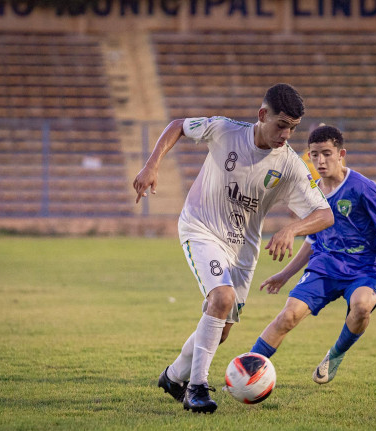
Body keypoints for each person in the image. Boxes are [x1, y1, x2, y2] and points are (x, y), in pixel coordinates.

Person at [132, 83, 334, 413]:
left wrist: (292, 228)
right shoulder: (225, 131)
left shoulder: (289, 166)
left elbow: (325, 214)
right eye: (280, 125)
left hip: (242, 249)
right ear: (262, 115)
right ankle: (195, 388)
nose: (285, 135)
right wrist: (152, 164)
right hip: (200, 227)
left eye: (292, 129)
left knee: (222, 329)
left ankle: (172, 377)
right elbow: (178, 126)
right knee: (222, 298)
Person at [250, 125, 376, 385]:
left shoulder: (363, 187)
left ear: (341, 153)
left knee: (362, 306)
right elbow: (311, 241)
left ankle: (335, 355)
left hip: (364, 269)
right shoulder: (312, 192)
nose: (320, 160)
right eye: (315, 154)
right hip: (324, 267)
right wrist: (284, 275)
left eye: (327, 154)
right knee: (288, 315)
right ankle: (246, 370)